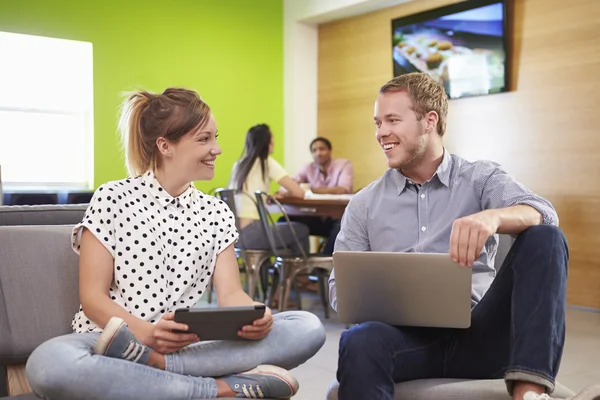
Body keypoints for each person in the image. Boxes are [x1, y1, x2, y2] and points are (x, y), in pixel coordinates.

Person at [25, 88, 326, 400]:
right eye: (204, 139)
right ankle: (215, 388)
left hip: (184, 346)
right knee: (50, 364)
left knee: (307, 327)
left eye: (216, 137)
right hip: (107, 343)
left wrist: (255, 313)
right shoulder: (112, 198)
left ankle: (161, 367)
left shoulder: (216, 212)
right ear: (165, 145)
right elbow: (93, 298)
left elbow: (231, 293)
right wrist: (146, 334)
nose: (218, 149)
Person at [328, 72, 581, 400]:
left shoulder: (479, 178)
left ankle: (530, 395)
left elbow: (544, 213)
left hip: (481, 336)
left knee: (546, 237)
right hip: (405, 344)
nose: (381, 133)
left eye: (392, 120)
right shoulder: (364, 204)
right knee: (359, 340)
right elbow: (339, 291)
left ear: (429, 120)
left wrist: (494, 217)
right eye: (378, 123)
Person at [230, 123, 310, 256]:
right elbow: (299, 193)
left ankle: (287, 273)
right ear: (267, 141)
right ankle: (300, 274)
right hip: (253, 232)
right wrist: (289, 189)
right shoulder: (266, 162)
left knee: (288, 231)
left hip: (234, 234)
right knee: (301, 229)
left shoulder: (239, 165)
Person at [285, 137, 354, 256]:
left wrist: (310, 190)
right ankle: (298, 265)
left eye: (322, 149)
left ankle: (323, 264)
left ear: (330, 150)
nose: (318, 153)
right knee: (285, 221)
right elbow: (291, 184)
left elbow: (343, 189)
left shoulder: (343, 165)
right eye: (314, 150)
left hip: (337, 218)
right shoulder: (308, 168)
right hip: (316, 218)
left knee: (342, 226)